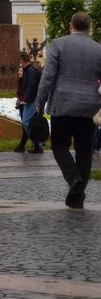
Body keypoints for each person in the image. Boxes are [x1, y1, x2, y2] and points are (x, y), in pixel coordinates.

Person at [33, 12, 101, 209]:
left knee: (59, 146)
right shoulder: (98, 49)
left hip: (62, 104)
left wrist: (40, 100)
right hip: (89, 107)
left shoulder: (59, 44)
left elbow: (48, 76)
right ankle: (77, 197)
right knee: (84, 150)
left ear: (71, 26)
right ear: (89, 28)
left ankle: (73, 179)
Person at [14, 51, 43, 153]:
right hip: (28, 100)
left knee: (26, 122)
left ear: (22, 60)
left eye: (20, 61)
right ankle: (36, 144)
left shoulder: (31, 71)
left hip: (31, 101)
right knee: (28, 123)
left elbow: (32, 86)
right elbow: (23, 87)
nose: (20, 63)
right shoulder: (28, 70)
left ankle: (38, 143)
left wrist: (25, 100)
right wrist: (21, 78)